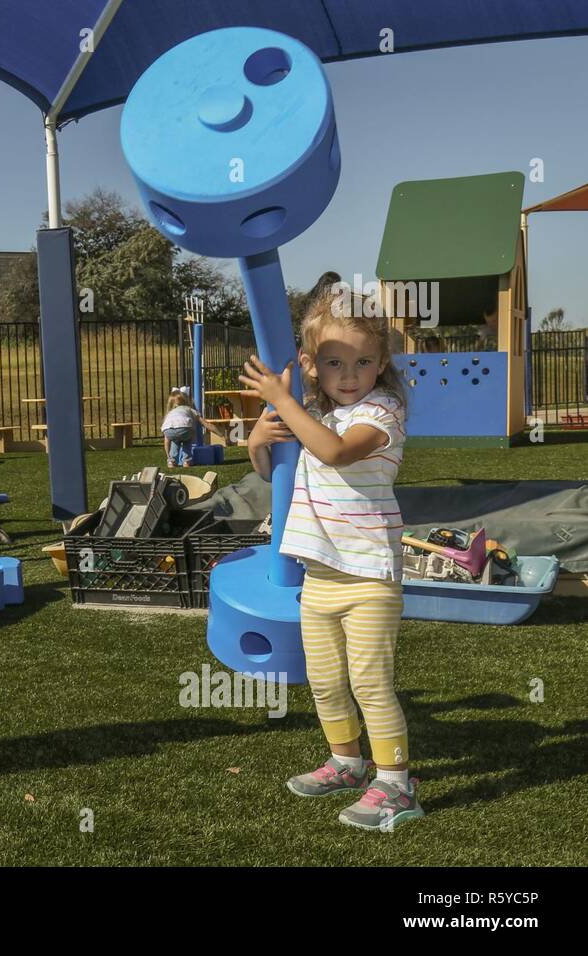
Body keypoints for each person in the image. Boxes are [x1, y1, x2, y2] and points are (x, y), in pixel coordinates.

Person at [241, 277, 423, 833]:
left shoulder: (382, 412)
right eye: (334, 362)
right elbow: (273, 472)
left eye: (364, 362)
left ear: (382, 363)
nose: (350, 376)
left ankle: (396, 785)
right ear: (309, 362)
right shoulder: (312, 412)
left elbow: (337, 453)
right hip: (318, 575)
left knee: (370, 683)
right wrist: (257, 437)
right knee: (324, 680)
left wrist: (283, 403)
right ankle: (347, 762)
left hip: (369, 576)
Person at [160, 390, 203, 468]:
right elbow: (204, 423)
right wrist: (220, 434)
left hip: (169, 430)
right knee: (187, 440)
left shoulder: (170, 414)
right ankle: (186, 461)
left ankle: (171, 462)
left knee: (175, 440)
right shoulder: (189, 409)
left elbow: (166, 440)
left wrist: (168, 456)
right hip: (185, 429)